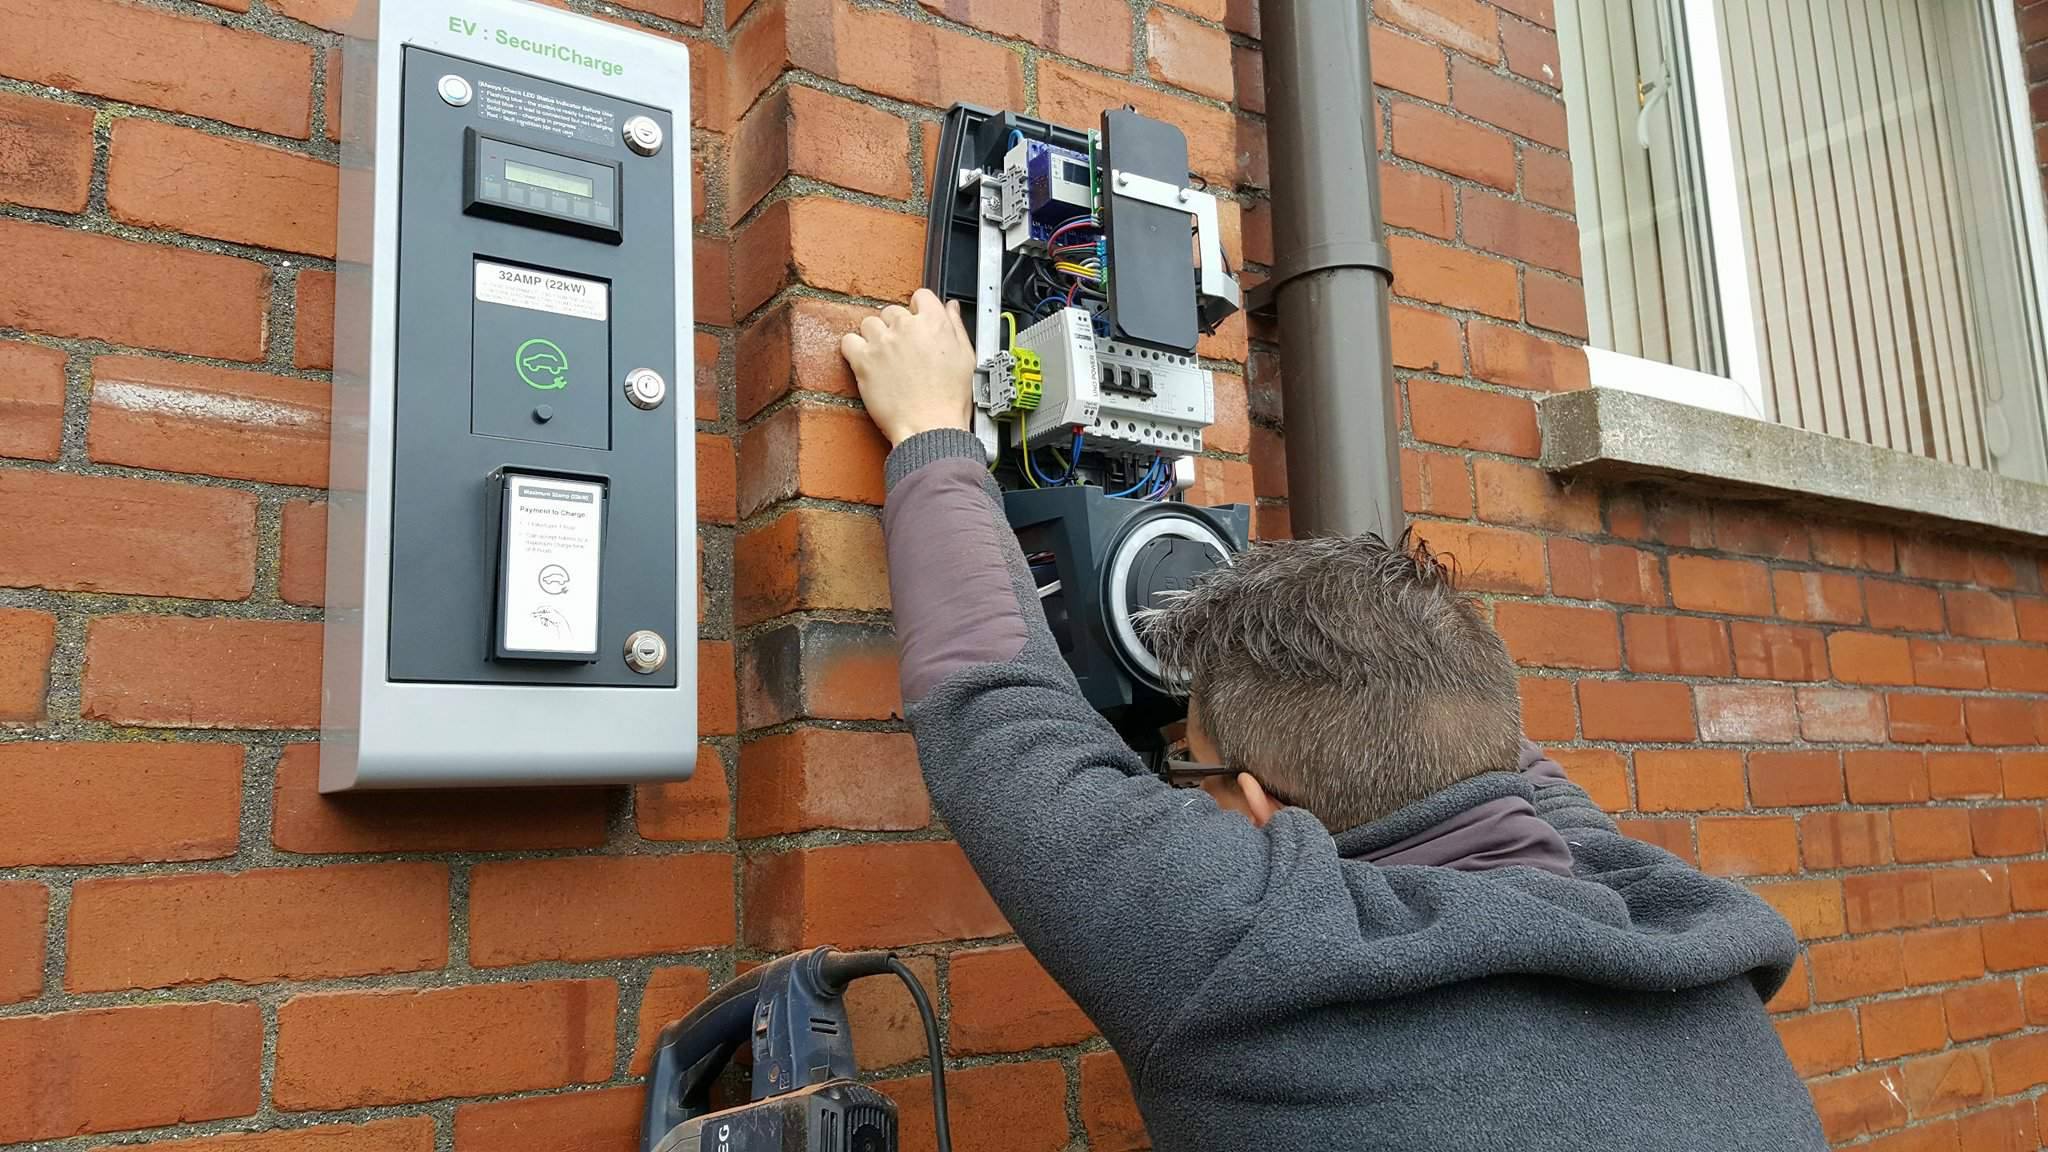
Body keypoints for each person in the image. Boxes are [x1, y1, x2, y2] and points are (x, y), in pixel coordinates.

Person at [839, 289, 1826, 1151]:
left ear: (1261, 805)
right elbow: (1471, 743)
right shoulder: (1662, 917)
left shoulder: (1258, 953)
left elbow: (1001, 724)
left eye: (1192, 770)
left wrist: (932, 425)